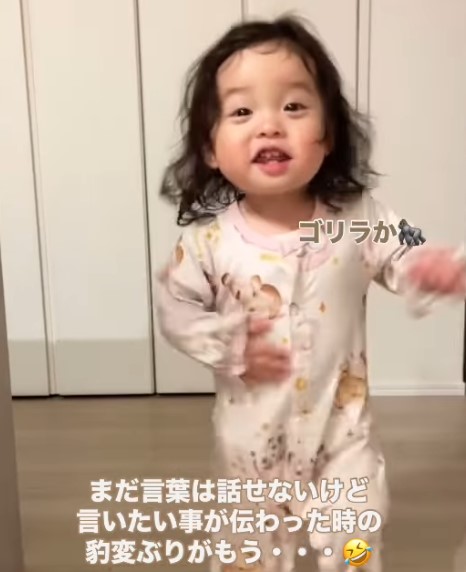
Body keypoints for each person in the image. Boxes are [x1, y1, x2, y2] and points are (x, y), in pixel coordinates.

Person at [155, 15, 466, 572]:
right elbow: (175, 309)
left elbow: (405, 247)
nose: (270, 126)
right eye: (242, 112)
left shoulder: (354, 219)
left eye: (294, 106)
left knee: (355, 544)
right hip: (249, 454)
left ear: (328, 135)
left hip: (342, 439)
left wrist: (430, 266)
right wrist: (227, 344)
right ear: (210, 148)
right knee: (245, 557)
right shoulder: (208, 242)